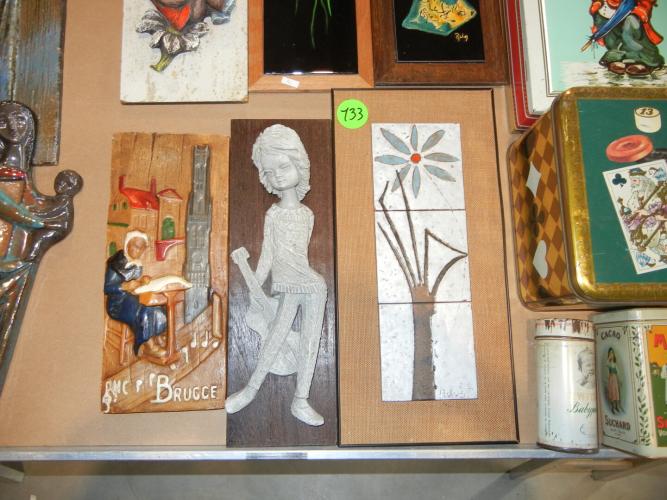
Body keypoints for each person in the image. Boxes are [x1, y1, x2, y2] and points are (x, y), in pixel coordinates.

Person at [225, 124, 327, 426]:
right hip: (287, 285)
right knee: (275, 336)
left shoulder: (307, 214)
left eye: (284, 167)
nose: (278, 176)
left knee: (310, 341)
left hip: (312, 285)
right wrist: (255, 284)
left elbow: (299, 255)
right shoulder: (273, 214)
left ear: (299, 165)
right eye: (271, 172)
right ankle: (251, 389)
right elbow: (268, 255)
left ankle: (301, 399)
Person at [104, 231, 167, 358]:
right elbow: (106, 288)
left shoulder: (136, 263)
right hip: (117, 304)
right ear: (127, 244)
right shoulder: (115, 264)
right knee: (143, 310)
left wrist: (142, 281)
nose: (138, 251)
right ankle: (149, 346)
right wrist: (124, 286)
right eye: (136, 247)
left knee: (156, 306)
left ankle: (157, 336)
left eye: (141, 249)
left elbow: (134, 283)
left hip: (131, 298)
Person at [589, 0, 664, 76]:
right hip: (608, 11)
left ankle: (644, 61)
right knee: (610, 37)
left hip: (632, 9)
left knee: (630, 30)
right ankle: (617, 59)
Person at [606, 347, 622, 413]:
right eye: (610, 353)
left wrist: (619, 380)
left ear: (614, 354)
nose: (611, 354)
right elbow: (606, 364)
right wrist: (608, 358)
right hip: (611, 379)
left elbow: (618, 373)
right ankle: (612, 407)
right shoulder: (609, 363)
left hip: (615, 379)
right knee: (612, 392)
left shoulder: (615, 364)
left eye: (612, 353)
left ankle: (616, 406)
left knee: (616, 392)